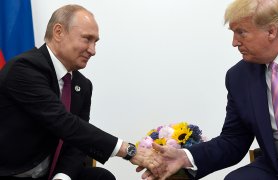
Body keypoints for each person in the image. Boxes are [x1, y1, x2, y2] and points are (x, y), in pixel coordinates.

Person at [140, 0, 278, 179]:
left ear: (271, 31)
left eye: (241, 32)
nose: (234, 42)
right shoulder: (239, 76)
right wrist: (185, 157)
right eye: (233, 33)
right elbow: (233, 140)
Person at [0, 4, 160, 180]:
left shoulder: (82, 85)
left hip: (49, 174)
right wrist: (127, 150)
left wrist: (62, 177)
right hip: (11, 172)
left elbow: (76, 142)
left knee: (101, 177)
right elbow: (63, 122)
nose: (93, 50)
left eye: (95, 42)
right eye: (87, 39)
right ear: (59, 32)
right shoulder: (24, 68)